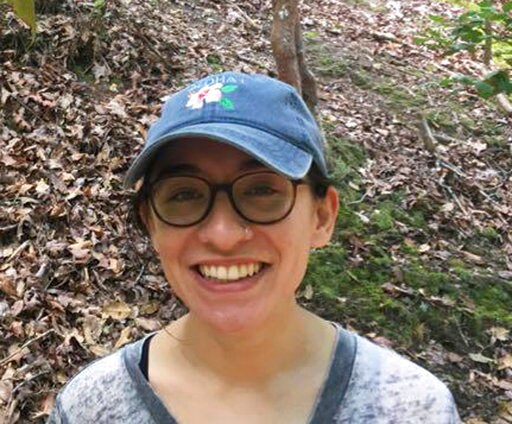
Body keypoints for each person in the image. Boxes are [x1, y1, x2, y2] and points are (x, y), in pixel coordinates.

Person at [47, 71, 460, 423]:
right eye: (184, 194)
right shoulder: (90, 409)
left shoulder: (410, 408)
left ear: (322, 217)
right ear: (151, 222)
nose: (222, 234)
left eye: (262, 190)